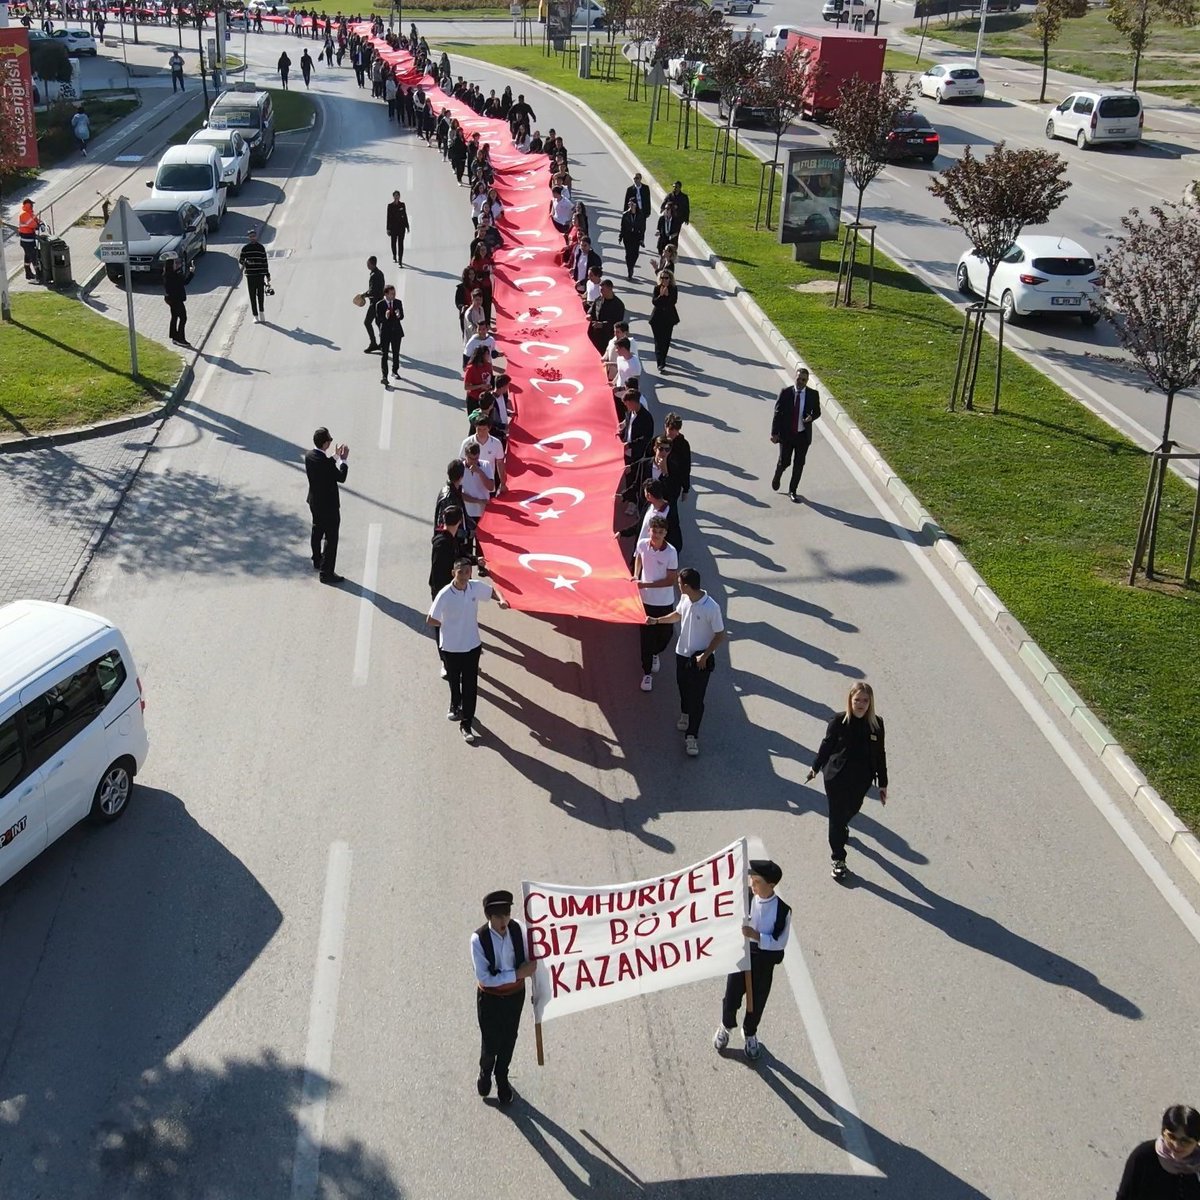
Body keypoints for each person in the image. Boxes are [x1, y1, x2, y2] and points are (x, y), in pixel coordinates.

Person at [807, 681, 889, 882]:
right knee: (836, 818)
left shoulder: (876, 725)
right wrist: (815, 767)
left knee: (851, 811)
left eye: (865, 700)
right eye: (857, 700)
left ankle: (842, 826)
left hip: (861, 781)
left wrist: (883, 784)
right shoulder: (838, 721)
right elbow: (826, 746)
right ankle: (838, 859)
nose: (860, 704)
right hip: (836, 778)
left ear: (870, 703)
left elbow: (880, 755)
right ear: (850, 701)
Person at [715, 860, 790, 1062]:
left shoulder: (782, 911)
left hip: (763, 962)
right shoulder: (746, 897)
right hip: (741, 956)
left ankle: (749, 1032)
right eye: (752, 880)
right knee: (731, 995)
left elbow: (780, 943)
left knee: (756, 1002)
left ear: (771, 884)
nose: (753, 885)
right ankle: (726, 1025)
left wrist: (756, 936)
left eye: (757, 881)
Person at [427, 558, 508, 742]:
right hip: (451, 648)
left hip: (472, 646)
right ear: (453, 573)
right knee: (455, 682)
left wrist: (502, 600)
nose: (464, 576)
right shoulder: (445, 594)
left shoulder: (474, 587)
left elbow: (492, 591)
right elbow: (430, 619)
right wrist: (449, 625)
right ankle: (455, 703)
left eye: (467, 572)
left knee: (470, 686)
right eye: (460, 572)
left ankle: (466, 723)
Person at [649, 568, 725, 757]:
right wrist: (657, 621)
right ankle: (685, 712)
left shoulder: (711, 607)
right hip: (682, 654)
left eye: (680, 583)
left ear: (687, 586)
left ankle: (692, 736)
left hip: (701, 659)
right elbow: (677, 615)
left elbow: (720, 634)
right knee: (682, 687)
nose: (678, 586)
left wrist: (705, 656)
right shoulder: (685, 599)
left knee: (697, 698)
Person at [470, 890, 535, 1105]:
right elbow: (485, 978)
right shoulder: (479, 940)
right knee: (491, 1042)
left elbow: (531, 961)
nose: (503, 920)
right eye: (498, 916)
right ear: (489, 917)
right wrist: (517, 974)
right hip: (490, 999)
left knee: (509, 1039)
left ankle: (502, 1077)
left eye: (506, 914)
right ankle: (485, 1071)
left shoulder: (518, 930)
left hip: (515, 996)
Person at [1116, 1105, 1200, 1200]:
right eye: (1171, 1137)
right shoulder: (1143, 1157)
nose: (1176, 1145)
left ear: (1197, 1141)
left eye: (1185, 1141)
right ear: (1163, 1132)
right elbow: (1124, 1196)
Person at [634, 515, 678, 692]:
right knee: (645, 638)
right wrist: (636, 575)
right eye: (654, 531)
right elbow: (638, 557)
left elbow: (670, 581)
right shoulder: (643, 544)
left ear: (665, 533)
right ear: (649, 530)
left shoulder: (671, 552)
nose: (657, 535)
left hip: (664, 602)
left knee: (665, 635)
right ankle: (647, 674)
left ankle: (655, 653)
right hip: (645, 601)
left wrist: (645, 584)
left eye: (660, 532)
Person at [304, 427, 349, 585]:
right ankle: (326, 573)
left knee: (317, 531)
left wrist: (335, 456)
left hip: (315, 502)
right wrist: (343, 460)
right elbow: (341, 477)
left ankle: (317, 560)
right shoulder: (327, 465)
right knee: (331, 538)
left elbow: (324, 463)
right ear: (324, 444)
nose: (330, 442)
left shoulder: (309, 456)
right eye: (329, 440)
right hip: (329, 507)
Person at [770, 365, 822, 502]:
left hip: (802, 436)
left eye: (804, 380)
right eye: (799, 379)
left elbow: (817, 412)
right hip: (787, 435)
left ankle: (793, 490)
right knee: (784, 461)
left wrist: (811, 418)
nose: (801, 382)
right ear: (795, 378)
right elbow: (777, 414)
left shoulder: (813, 395)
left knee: (799, 464)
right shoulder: (786, 393)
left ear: (807, 381)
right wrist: (774, 433)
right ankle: (778, 474)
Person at [238, 227, 271, 323]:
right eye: (251, 236)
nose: (252, 238)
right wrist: (246, 262)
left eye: (254, 236)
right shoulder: (245, 249)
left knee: (260, 295)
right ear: (249, 237)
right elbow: (241, 260)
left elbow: (265, 262)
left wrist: (267, 274)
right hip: (250, 275)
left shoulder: (261, 248)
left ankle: (261, 313)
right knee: (252, 295)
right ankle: (255, 315)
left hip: (260, 274)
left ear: (256, 236)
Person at [649, 270, 680, 372]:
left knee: (666, 340)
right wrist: (661, 296)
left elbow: (673, 302)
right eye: (662, 278)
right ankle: (660, 362)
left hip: (668, 319)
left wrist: (667, 296)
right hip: (657, 319)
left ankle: (663, 358)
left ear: (670, 279)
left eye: (666, 278)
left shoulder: (673, 289)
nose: (664, 280)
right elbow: (655, 302)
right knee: (658, 341)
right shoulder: (657, 288)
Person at [375, 284, 404, 385]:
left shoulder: (398, 303)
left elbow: (402, 316)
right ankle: (384, 376)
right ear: (386, 294)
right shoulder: (380, 304)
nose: (394, 295)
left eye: (394, 293)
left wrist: (399, 315)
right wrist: (386, 317)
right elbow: (378, 320)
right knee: (385, 355)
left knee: (396, 353)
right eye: (392, 293)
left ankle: (395, 371)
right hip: (385, 333)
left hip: (396, 332)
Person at [587, 280, 625, 355]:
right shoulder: (599, 299)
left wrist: (602, 324)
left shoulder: (618, 305)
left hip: (607, 337)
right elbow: (593, 309)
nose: (601, 292)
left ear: (610, 288)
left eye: (602, 290)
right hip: (595, 333)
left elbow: (617, 322)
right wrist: (590, 315)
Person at [664, 413, 692, 503]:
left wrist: (685, 489)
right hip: (659, 482)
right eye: (670, 429)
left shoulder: (683, 445)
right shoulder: (658, 441)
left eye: (675, 430)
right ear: (665, 426)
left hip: (674, 485)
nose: (672, 433)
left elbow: (686, 468)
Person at [162, 256, 189, 347]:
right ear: (171, 266)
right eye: (175, 264)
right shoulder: (173, 276)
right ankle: (180, 339)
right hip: (176, 300)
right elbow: (184, 282)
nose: (177, 265)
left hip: (171, 300)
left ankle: (174, 336)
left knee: (174, 317)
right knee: (183, 318)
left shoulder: (168, 274)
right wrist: (191, 273)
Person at [361, 255, 385, 352]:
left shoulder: (373, 275)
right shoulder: (380, 273)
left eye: (368, 263)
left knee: (367, 322)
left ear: (371, 264)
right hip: (380, 301)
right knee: (378, 323)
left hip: (374, 303)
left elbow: (372, 291)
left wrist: (364, 295)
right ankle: (384, 343)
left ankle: (373, 343)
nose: (367, 265)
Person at [617, 196, 643, 282]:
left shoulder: (640, 215)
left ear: (635, 205)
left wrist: (642, 239)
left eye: (632, 204)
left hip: (636, 236)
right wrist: (620, 236)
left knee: (635, 254)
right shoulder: (625, 215)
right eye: (629, 204)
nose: (630, 206)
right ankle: (630, 270)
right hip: (627, 237)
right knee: (628, 254)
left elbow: (643, 228)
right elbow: (622, 227)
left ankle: (631, 266)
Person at [17, 199, 42, 283]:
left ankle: (28, 274)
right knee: (33, 257)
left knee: (28, 256)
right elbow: (32, 224)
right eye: (31, 204)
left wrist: (40, 223)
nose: (32, 206)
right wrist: (37, 225)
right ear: (28, 205)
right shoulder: (24, 214)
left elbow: (36, 220)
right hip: (27, 239)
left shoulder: (29, 213)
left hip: (29, 239)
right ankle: (38, 277)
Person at [386, 191, 410, 266]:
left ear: (399, 197)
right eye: (395, 196)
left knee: (400, 244)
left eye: (398, 196)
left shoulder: (402, 205)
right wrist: (388, 228)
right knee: (393, 243)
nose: (397, 197)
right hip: (393, 228)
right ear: (393, 197)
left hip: (401, 228)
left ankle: (400, 260)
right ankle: (394, 254)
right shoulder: (390, 206)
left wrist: (407, 226)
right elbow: (388, 218)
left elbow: (405, 215)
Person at [624, 173, 651, 238]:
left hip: (642, 210)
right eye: (634, 178)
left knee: (643, 226)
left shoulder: (645, 188)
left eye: (637, 178)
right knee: (635, 225)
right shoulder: (630, 189)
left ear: (640, 179)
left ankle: (642, 239)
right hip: (634, 210)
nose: (635, 180)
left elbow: (648, 200)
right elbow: (626, 201)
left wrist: (648, 211)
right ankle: (636, 238)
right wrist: (625, 211)